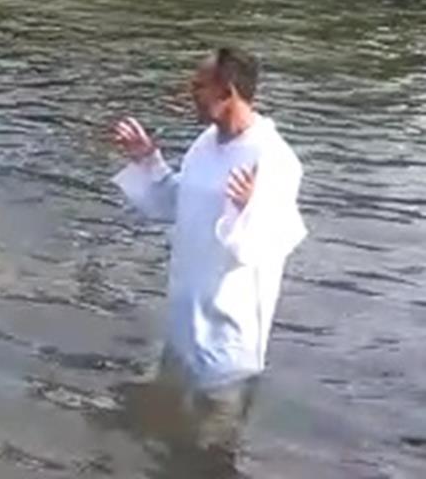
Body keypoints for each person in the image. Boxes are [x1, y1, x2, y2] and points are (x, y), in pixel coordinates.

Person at [110, 46, 307, 445]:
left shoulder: (272, 158)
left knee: (211, 452)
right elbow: (180, 204)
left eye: (199, 86)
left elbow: (279, 239)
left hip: (228, 343)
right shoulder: (205, 145)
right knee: (164, 439)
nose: (190, 93)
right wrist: (149, 161)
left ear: (227, 90)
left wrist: (251, 210)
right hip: (183, 327)